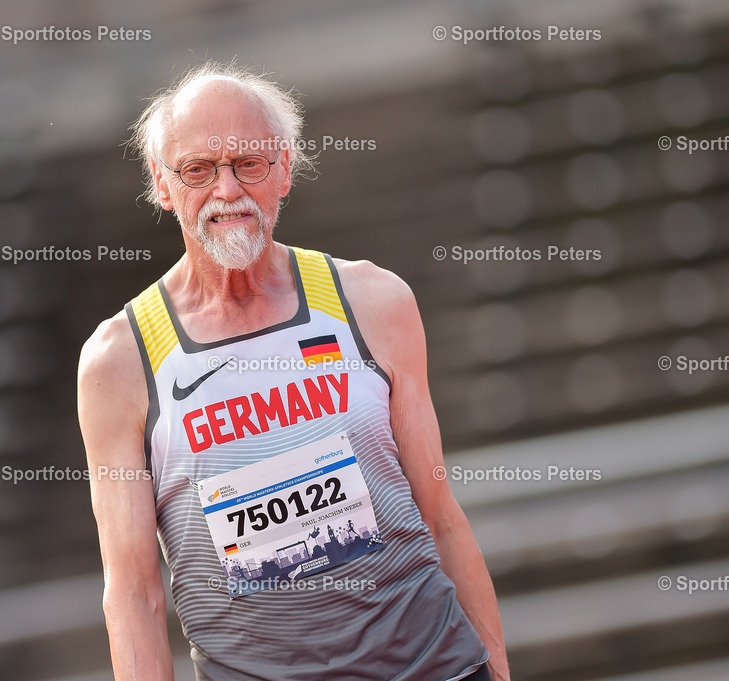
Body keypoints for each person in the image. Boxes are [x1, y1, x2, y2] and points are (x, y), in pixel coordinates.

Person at [78, 62, 510, 681]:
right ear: (163, 184)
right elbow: (134, 592)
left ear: (283, 168)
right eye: (198, 170)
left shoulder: (373, 301)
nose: (226, 191)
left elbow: (440, 515)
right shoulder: (118, 361)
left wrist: (496, 666)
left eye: (248, 164)